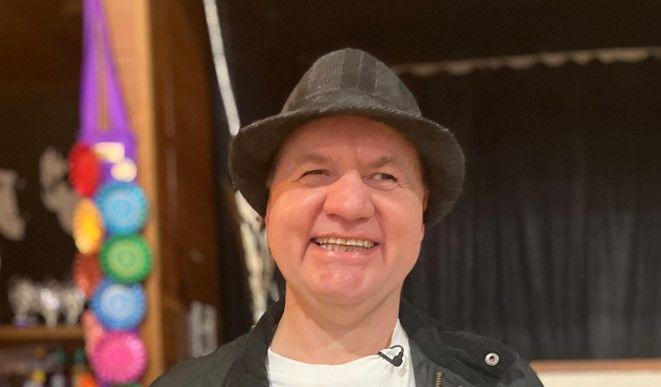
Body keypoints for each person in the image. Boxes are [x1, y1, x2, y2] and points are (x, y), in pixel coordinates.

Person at [152, 48, 542, 386]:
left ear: (421, 214)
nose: (350, 205)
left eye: (384, 177)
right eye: (315, 173)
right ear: (268, 209)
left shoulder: (501, 382)